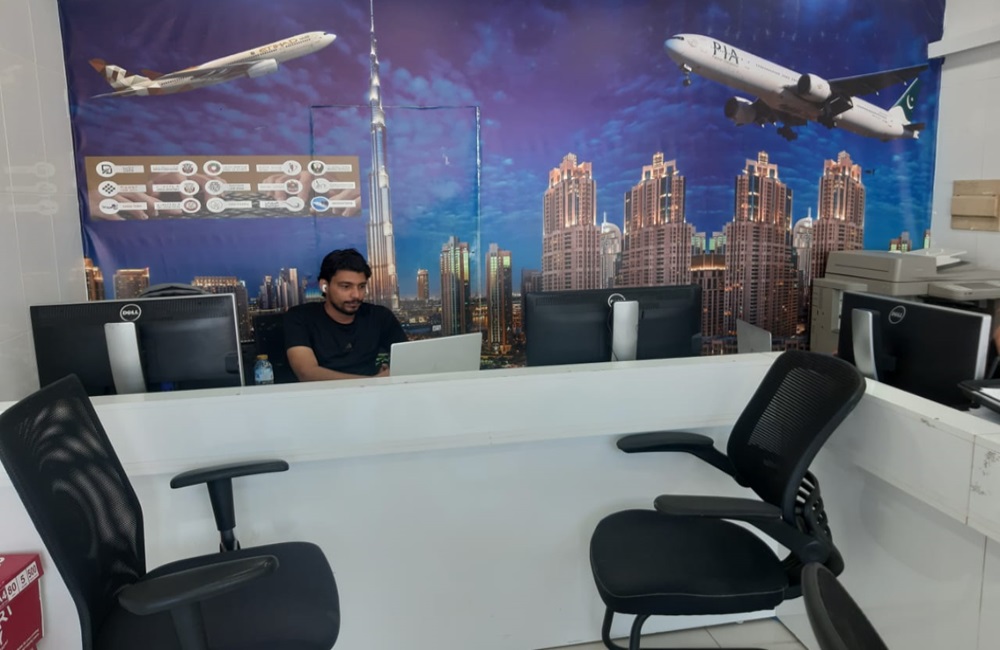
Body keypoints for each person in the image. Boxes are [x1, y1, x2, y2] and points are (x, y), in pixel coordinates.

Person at [284, 248, 406, 381]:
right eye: (346, 286)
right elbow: (307, 373)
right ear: (324, 286)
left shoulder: (380, 316)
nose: (356, 295)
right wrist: (374, 382)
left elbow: (408, 358)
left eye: (361, 286)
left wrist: (392, 372)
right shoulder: (300, 317)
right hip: (321, 393)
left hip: (373, 392)